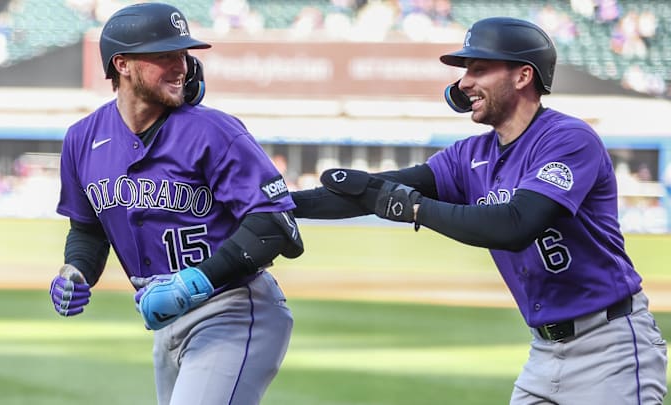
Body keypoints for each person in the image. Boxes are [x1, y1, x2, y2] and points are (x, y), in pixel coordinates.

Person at [292, 17, 667, 404]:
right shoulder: (469, 155)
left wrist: (415, 209)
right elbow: (377, 191)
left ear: (523, 76)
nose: (464, 83)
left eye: (479, 69)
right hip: (543, 352)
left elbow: (516, 225)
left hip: (611, 348)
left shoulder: (568, 139)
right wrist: (277, 204)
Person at [48, 3, 304, 405]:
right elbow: (89, 228)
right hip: (165, 322)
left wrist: (193, 282)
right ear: (123, 64)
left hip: (232, 309)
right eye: (164, 55)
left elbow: (275, 225)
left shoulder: (213, 131)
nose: (180, 66)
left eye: (183, 54)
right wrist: (75, 269)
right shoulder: (82, 139)